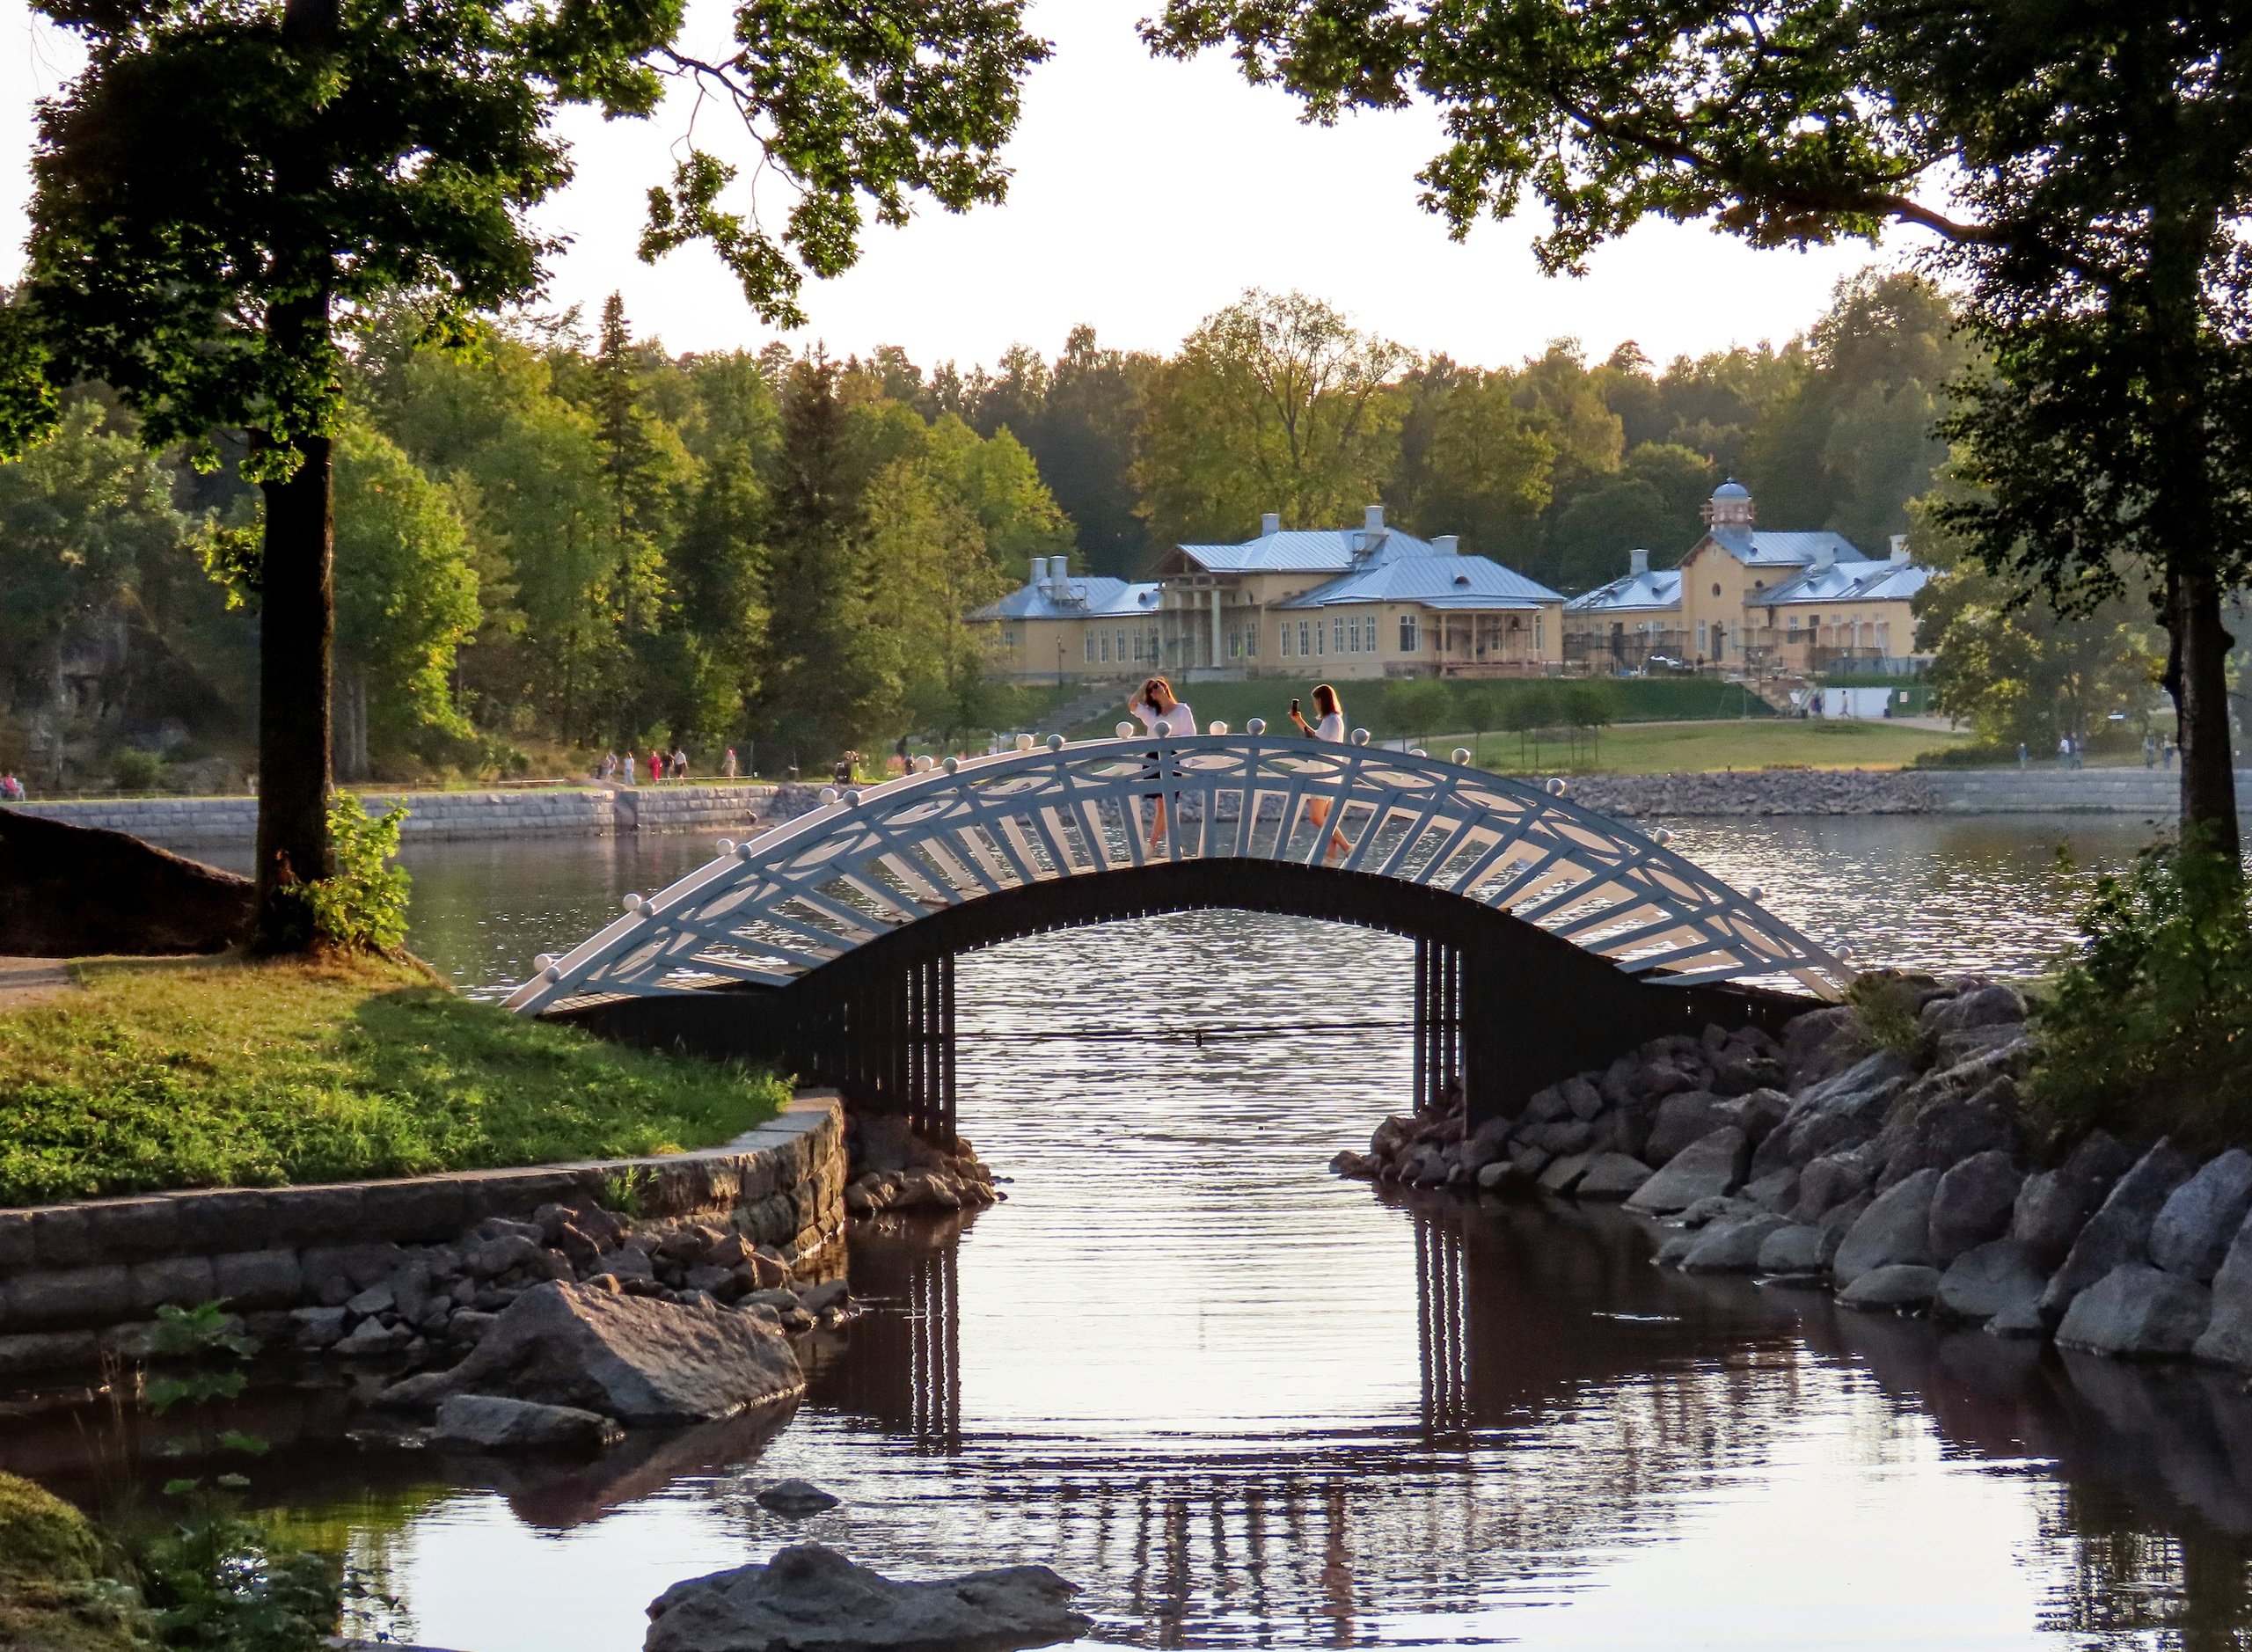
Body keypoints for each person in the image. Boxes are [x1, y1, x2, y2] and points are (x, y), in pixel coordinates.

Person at [1129, 676, 1196, 848]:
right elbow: (1133, 705)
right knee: (1161, 804)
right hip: (1154, 757)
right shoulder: (1152, 714)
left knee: (1169, 802)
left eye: (1156, 686)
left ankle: (1152, 844)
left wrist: (1180, 753)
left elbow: (1190, 735)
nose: (1154, 690)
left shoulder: (1183, 710)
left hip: (1174, 757)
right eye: (1150, 690)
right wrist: (1144, 684)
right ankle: (1162, 844)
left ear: (1164, 687)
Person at [1288, 683, 1350, 863]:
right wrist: (1299, 721)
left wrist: (1300, 723)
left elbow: (1320, 744)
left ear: (1322, 701)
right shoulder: (1331, 720)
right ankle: (1330, 861)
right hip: (1328, 774)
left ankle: (1347, 847)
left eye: (1316, 701)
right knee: (1327, 822)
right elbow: (1319, 739)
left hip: (1324, 775)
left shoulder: (1332, 720)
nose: (1315, 705)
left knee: (1317, 818)